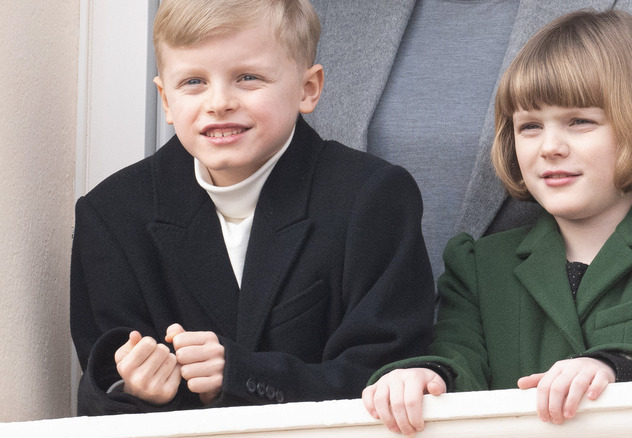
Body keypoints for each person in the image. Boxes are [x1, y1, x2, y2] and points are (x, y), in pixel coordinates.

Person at [307, 0, 632, 376]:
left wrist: (618, 369)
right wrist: (426, 375)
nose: (550, 147)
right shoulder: (477, 265)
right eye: (529, 127)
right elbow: (460, 360)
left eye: (579, 122)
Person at [70, 0, 434, 415]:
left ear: (307, 89)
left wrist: (241, 373)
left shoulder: (373, 197)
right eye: (193, 81)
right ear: (165, 100)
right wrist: (131, 387)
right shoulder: (111, 215)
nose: (219, 101)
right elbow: (96, 393)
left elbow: (389, 374)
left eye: (248, 77)